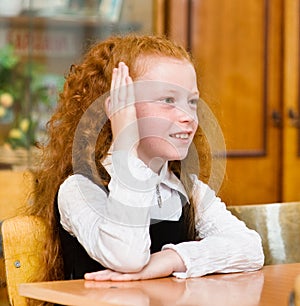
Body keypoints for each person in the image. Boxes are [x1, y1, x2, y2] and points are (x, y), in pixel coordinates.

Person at [28, 34, 264, 284]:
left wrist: (168, 260)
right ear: (118, 108)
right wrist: (126, 144)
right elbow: (128, 258)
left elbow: (250, 248)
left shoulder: (185, 187)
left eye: (192, 101)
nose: (189, 117)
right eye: (168, 100)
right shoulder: (80, 188)